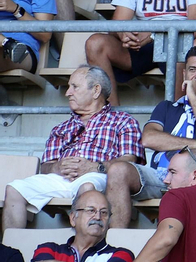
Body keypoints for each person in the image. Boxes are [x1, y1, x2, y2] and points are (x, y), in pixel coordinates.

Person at [104, 46, 196, 222]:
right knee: (118, 170)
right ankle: (115, 244)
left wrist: (192, 97)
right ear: (185, 74)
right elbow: (149, 139)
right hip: (161, 176)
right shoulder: (166, 107)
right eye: (193, 70)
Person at [4, 66, 139, 231]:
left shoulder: (123, 121)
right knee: (14, 189)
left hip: (98, 175)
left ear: (96, 90)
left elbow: (129, 161)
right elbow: (45, 167)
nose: (68, 93)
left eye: (75, 87)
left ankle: (81, 250)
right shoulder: (61, 128)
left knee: (87, 188)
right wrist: (57, 167)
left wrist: (94, 166)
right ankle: (10, 251)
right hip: (62, 178)